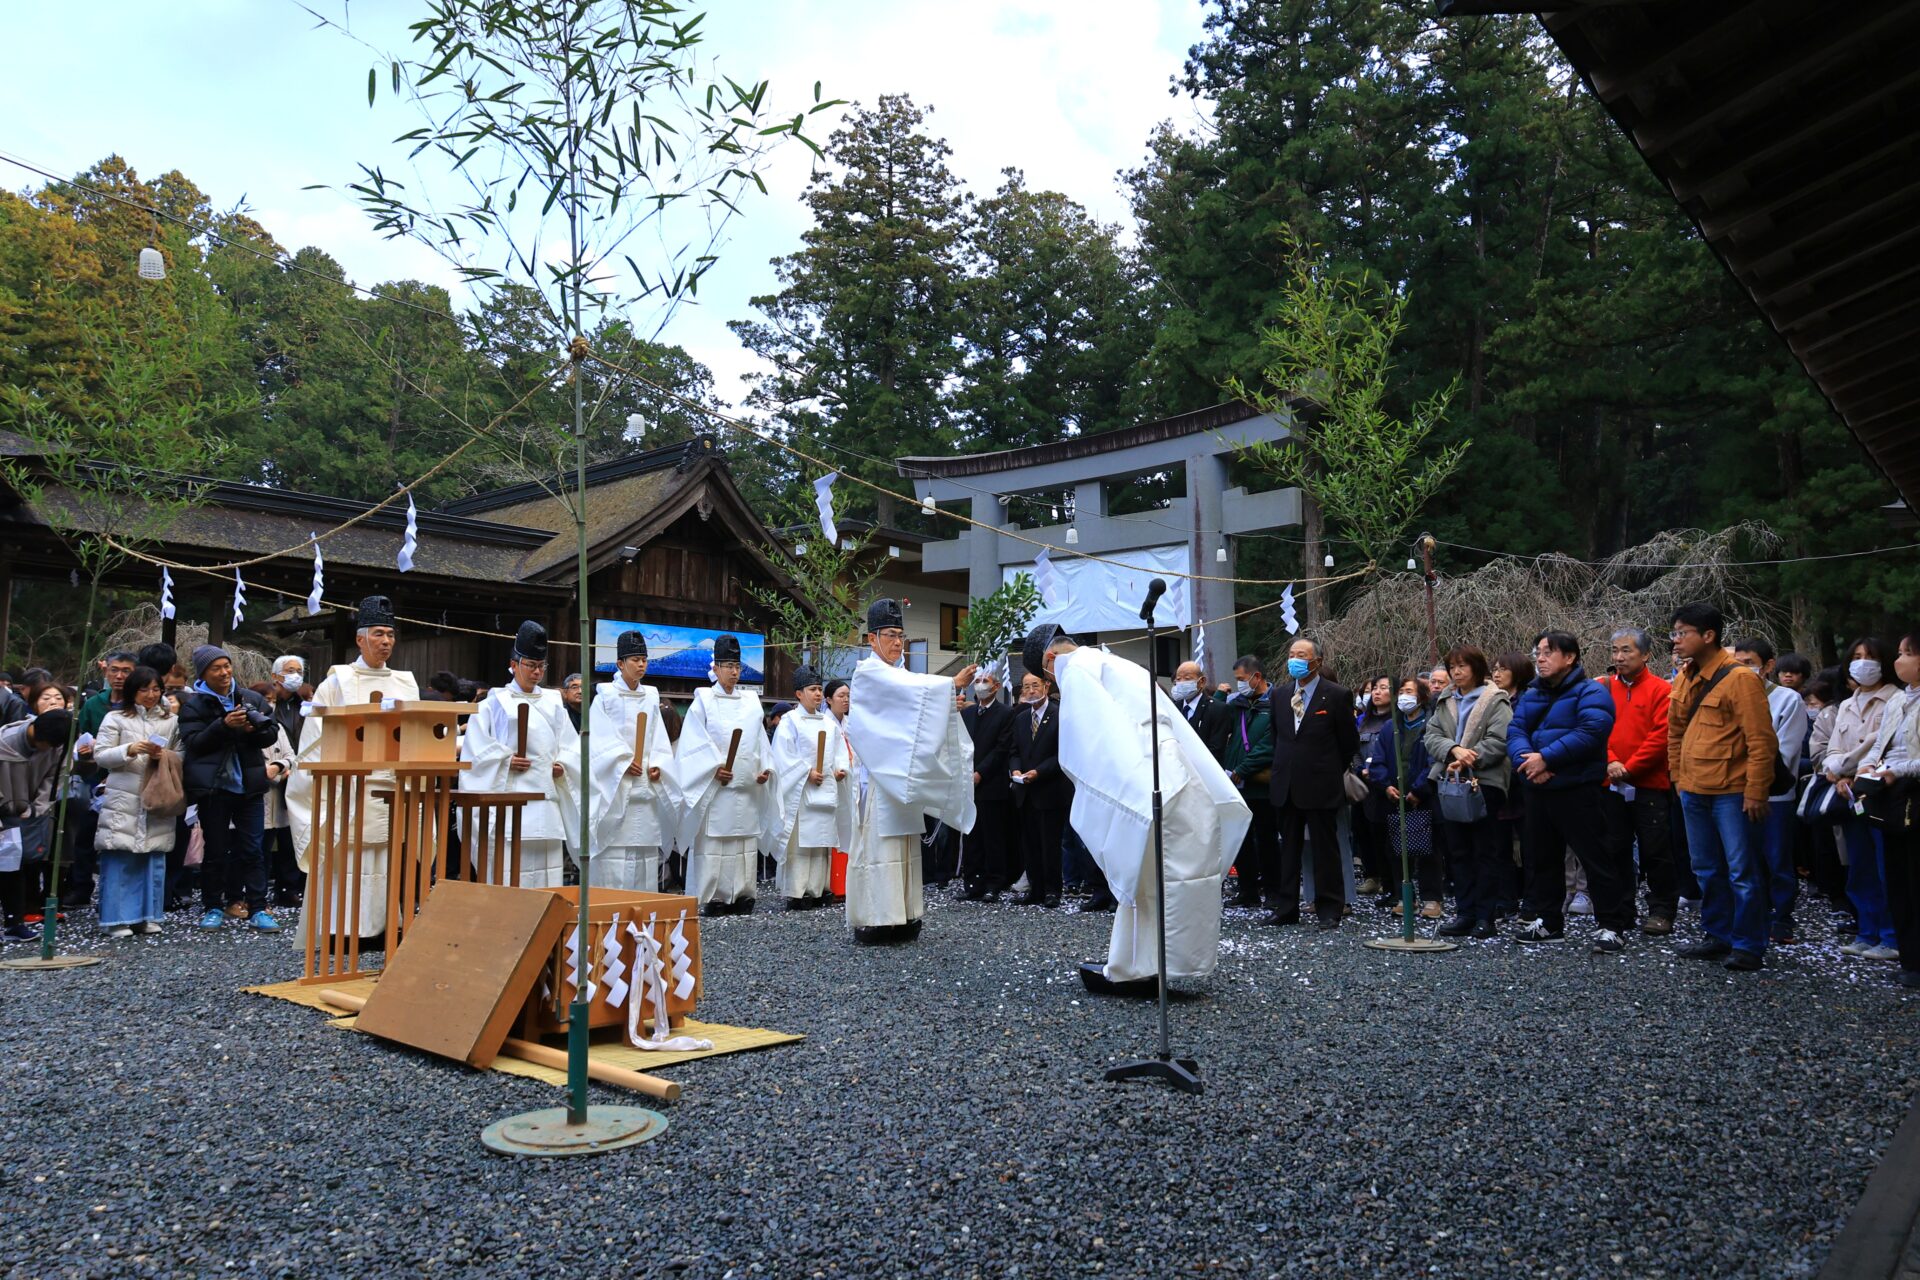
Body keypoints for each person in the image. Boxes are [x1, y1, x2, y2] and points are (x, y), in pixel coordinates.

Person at [1027, 623, 1250, 994]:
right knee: (1170, 874)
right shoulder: (1115, 662)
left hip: (1146, 775)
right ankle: (1148, 963)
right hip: (1176, 768)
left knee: (1148, 873)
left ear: (1050, 659)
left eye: (1046, 675)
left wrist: (1120, 796)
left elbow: (1096, 738)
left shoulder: (1076, 667)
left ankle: (1146, 967)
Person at [287, 596, 420, 942]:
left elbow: (417, 731)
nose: (386, 642)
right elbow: (315, 737)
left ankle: (388, 927)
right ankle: (341, 930)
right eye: (378, 634)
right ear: (360, 639)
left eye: (390, 634)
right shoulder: (337, 683)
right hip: (351, 788)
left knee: (390, 856)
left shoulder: (406, 683)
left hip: (394, 784)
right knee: (348, 859)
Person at [843, 599, 976, 943]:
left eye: (900, 635)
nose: (897, 642)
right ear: (871, 639)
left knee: (904, 848)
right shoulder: (868, 673)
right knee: (880, 847)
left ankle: (904, 915)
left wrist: (946, 704)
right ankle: (876, 918)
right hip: (880, 777)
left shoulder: (902, 675)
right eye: (889, 635)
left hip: (901, 773)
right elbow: (912, 698)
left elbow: (916, 704)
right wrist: (949, 686)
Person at [1666, 605, 1779, 971]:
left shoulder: (1740, 679)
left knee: (1741, 870)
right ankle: (1718, 935)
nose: (1676, 640)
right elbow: (1675, 733)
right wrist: (1678, 779)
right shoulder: (1684, 677)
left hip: (1732, 790)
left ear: (1708, 635)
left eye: (1683, 633)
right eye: (1675, 633)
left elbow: (1761, 741)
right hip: (1693, 789)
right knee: (1705, 869)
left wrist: (1756, 791)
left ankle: (1748, 944)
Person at [1507, 631, 1628, 951]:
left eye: (1549, 652)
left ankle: (1611, 925)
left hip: (1577, 789)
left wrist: (1547, 758)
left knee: (1596, 857)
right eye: (1538, 652)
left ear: (1570, 657)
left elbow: (1592, 731)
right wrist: (1528, 761)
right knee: (1542, 858)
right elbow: (1516, 730)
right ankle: (1549, 921)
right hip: (1537, 789)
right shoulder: (1531, 695)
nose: (1541, 658)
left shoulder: (1592, 691)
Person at [461, 621, 582, 890]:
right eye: (530, 665)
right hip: (510, 800)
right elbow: (476, 751)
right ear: (514, 664)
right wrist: (504, 761)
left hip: (546, 799)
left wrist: (563, 764)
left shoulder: (553, 701)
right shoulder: (494, 701)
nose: (537, 671)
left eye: (541, 666)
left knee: (547, 870)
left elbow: (569, 745)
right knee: (511, 871)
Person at [178, 646, 282, 932]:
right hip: (214, 788)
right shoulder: (194, 705)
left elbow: (271, 733)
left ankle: (258, 908)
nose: (224, 672)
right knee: (216, 850)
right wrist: (223, 726)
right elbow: (194, 743)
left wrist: (254, 730)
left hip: (248, 785)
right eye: (216, 668)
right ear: (203, 673)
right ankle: (213, 906)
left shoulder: (250, 698)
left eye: (227, 666)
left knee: (253, 849)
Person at [675, 634, 779, 915]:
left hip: (746, 787)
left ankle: (743, 893)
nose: (734, 672)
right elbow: (693, 745)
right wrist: (711, 769)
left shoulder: (750, 702)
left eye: (737, 666)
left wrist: (764, 768)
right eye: (728, 666)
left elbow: (760, 741)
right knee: (715, 842)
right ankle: (713, 896)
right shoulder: (704, 700)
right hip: (717, 787)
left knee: (744, 843)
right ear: (716, 668)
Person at [1267, 637, 1359, 929]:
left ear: (1317, 661)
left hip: (1321, 784)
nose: (1295, 659)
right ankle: (1286, 908)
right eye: (1292, 654)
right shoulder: (1279, 695)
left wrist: (1329, 770)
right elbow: (1276, 737)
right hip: (1286, 783)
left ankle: (1330, 907)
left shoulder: (1336, 694)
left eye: (1302, 655)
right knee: (1288, 849)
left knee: (1324, 849)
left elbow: (1348, 742)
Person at [1598, 628, 1679, 936]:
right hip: (1611, 783)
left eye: (1627, 651)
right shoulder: (1602, 688)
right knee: (1614, 847)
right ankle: (1622, 908)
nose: (1619, 657)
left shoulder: (1662, 689)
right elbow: (1595, 727)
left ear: (1645, 655)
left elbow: (1661, 737)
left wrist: (1628, 767)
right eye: (1615, 650)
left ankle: (1661, 909)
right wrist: (1610, 761)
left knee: (1656, 849)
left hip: (1650, 783)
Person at [1427, 648, 1513, 938]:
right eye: (1453, 667)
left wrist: (1470, 757)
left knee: (1485, 850)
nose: (1457, 672)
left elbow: (1500, 739)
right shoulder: (1445, 699)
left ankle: (1486, 914)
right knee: (1457, 850)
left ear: (1476, 668)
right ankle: (1465, 911)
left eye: (1462, 666)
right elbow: (1432, 735)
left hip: (1484, 780)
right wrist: (1453, 750)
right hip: (1450, 779)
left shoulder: (1495, 699)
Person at [1823, 636, 1901, 959]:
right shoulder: (1846, 704)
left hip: (1883, 794)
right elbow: (1832, 748)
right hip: (1852, 796)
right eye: (1856, 656)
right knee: (1860, 865)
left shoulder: (1895, 700)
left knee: (1887, 867)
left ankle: (1892, 937)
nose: (1862, 662)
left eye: (1870, 656)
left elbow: (1876, 744)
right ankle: (1866, 930)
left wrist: (1845, 767)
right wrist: (1838, 775)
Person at [1731, 635, 1811, 945]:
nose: (1743, 670)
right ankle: (1755, 914)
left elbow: (1786, 752)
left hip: (1774, 793)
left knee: (1777, 857)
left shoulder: (1788, 700)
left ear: (1768, 666)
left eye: (1749, 664)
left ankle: (1783, 916)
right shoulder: (1731, 696)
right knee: (1745, 859)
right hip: (1736, 790)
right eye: (1737, 664)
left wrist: (1755, 777)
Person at [586, 630, 678, 892]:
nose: (641, 665)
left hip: (645, 782)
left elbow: (657, 735)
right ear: (619, 664)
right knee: (615, 853)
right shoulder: (605, 695)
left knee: (646, 853)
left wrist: (659, 763)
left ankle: (644, 911)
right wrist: (622, 761)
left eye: (644, 660)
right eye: (635, 659)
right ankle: (611, 910)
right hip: (616, 783)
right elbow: (599, 738)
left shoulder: (651, 695)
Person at [1855, 628, 1920, 988]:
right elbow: (1882, 742)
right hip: (1890, 794)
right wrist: (1871, 765)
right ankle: (1910, 958)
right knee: (1897, 879)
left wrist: (1897, 770)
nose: (1899, 661)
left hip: (1912, 790)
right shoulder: (1899, 700)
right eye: (1898, 653)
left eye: (1907, 653)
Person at [92, 666, 177, 938]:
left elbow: (182, 755)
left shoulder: (171, 721)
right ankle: (116, 919)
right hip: (123, 794)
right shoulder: (114, 718)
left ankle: (148, 916)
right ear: (132, 692)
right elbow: (101, 756)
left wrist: (163, 756)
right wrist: (129, 749)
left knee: (153, 857)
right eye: (144, 689)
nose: (151, 695)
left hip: (157, 793)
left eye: (156, 689)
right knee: (121, 855)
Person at [770, 664, 851, 907]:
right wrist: (806, 772)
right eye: (812, 689)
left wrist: (840, 769)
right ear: (798, 693)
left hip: (825, 789)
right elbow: (783, 755)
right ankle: (798, 891)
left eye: (819, 689)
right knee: (801, 844)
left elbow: (839, 752)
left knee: (822, 842)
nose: (817, 694)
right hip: (801, 791)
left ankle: (819, 888)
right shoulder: (790, 722)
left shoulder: (828, 723)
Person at [1369, 675, 1440, 918]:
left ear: (1421, 696)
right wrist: (1386, 785)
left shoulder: (1432, 724)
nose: (1404, 697)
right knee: (1397, 850)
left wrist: (1419, 789)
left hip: (1423, 796)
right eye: (1402, 691)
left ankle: (1432, 898)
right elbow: (1377, 761)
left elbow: (1433, 761)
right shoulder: (1391, 726)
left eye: (1410, 691)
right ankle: (1405, 897)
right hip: (1393, 797)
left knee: (1428, 850)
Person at [0, 709, 72, 941]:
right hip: (4, 808)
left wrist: (37, 807)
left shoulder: (57, 747)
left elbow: (54, 778)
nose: (50, 750)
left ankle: (14, 923)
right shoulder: (5, 742)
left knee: (17, 868)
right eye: (48, 745)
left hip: (28, 813)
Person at [1008, 670, 1070, 908]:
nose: (1031, 691)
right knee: (1030, 843)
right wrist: (1015, 771)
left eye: (1035, 685)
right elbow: (1014, 751)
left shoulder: (1058, 715)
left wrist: (1039, 772)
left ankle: (1053, 890)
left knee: (1050, 843)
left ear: (1046, 686)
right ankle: (1035, 889)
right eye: (1026, 687)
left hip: (1050, 789)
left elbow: (1062, 753)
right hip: (1024, 791)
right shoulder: (1021, 718)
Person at [1222, 656, 1276, 910]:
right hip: (1237, 783)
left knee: (1267, 840)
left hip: (1262, 784)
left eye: (1242, 680)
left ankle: (1273, 891)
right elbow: (1218, 719)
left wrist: (1243, 769)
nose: (1239, 685)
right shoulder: (1238, 705)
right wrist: (1223, 696)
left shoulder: (1276, 703)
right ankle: (1247, 890)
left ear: (1257, 676)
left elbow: (1269, 745)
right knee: (1240, 839)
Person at [959, 667, 1016, 901]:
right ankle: (973, 883)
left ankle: (994, 883)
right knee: (971, 835)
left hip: (992, 784)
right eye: (978, 680)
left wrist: (981, 772)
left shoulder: (1006, 713)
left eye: (986, 680)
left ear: (996, 687)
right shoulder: (968, 713)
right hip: (967, 783)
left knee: (993, 836)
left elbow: (1002, 748)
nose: (981, 684)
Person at [261, 655, 306, 907]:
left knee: (292, 834)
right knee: (266, 834)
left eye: (299, 670)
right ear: (276, 674)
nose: (295, 675)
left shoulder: (306, 706)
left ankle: (289, 887)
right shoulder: (265, 703)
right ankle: (258, 889)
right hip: (272, 772)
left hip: (299, 774)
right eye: (290, 670)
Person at [1171, 660, 1234, 763]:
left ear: (1202, 682)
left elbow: (1216, 749)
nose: (1182, 682)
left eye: (1187, 679)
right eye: (1178, 679)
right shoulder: (1173, 708)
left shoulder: (1218, 709)